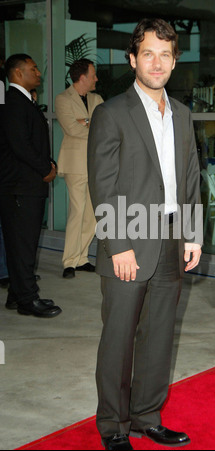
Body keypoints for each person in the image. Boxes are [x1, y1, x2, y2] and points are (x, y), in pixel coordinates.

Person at [88, 19, 203, 451]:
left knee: (158, 337)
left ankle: (147, 416)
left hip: (173, 240)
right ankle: (114, 427)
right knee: (118, 340)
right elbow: (103, 183)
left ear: (175, 61)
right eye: (149, 54)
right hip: (130, 240)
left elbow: (190, 178)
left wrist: (192, 235)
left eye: (166, 54)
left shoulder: (183, 115)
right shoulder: (112, 112)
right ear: (133, 59)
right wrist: (119, 244)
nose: (157, 63)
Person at [0, 54, 62, 318]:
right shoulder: (14, 103)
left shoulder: (23, 102)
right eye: (33, 69)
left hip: (25, 185)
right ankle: (27, 299)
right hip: (20, 186)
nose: (39, 73)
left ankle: (17, 293)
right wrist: (45, 168)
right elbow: (21, 145)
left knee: (21, 243)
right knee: (23, 244)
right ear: (17, 73)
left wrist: (47, 163)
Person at [55, 59, 103, 279]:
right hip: (75, 164)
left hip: (95, 164)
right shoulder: (63, 99)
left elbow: (104, 127)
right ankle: (69, 261)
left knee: (92, 215)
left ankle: (82, 258)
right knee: (77, 212)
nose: (96, 79)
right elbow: (72, 128)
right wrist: (90, 123)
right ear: (82, 77)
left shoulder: (97, 99)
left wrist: (86, 121)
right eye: (93, 75)